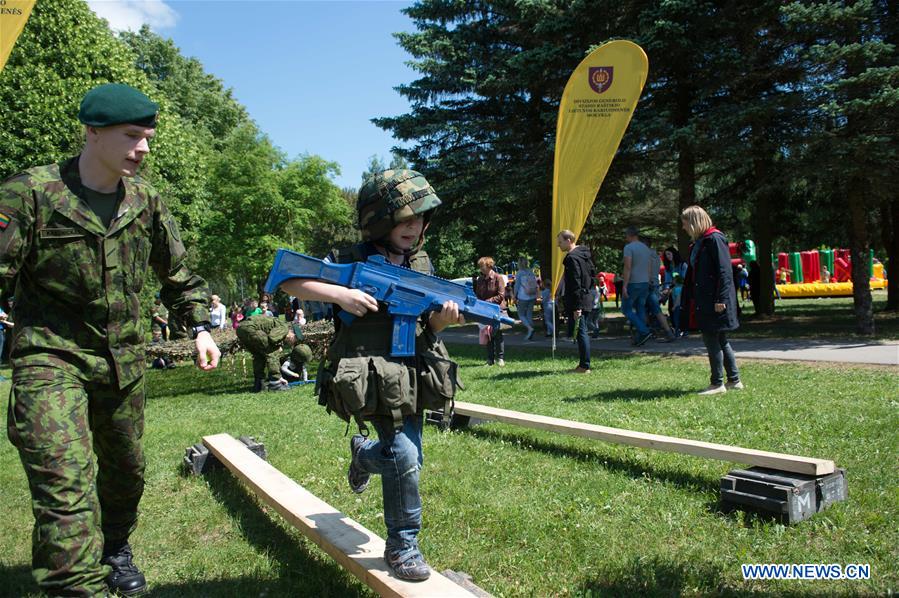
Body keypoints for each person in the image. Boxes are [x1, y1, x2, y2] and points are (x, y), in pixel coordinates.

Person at [0, 83, 221, 596]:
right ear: (92, 132)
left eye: (147, 137)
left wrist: (201, 327)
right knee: (65, 484)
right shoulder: (29, 192)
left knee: (125, 472)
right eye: (131, 136)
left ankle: (114, 548)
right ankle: (77, 586)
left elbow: (179, 275)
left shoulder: (144, 201)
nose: (143, 148)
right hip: (49, 358)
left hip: (123, 362)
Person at [278, 169, 464, 581]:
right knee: (404, 456)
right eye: (405, 218)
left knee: (405, 458)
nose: (414, 227)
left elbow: (423, 326)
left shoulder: (422, 263)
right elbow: (288, 279)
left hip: (415, 370)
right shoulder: (349, 260)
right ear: (379, 219)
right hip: (369, 372)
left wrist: (441, 322)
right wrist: (340, 294)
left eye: (420, 219)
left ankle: (362, 455)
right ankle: (403, 545)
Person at [680, 205, 743, 395]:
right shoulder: (701, 242)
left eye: (685, 224)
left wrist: (721, 298)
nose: (683, 228)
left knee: (711, 338)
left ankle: (717, 384)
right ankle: (734, 380)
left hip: (715, 299)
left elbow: (725, 271)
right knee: (720, 339)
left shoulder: (714, 239)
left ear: (693, 222)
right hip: (705, 298)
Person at [557, 229, 595, 373]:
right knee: (580, 331)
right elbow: (592, 275)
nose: (558, 245)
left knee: (581, 332)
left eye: (560, 242)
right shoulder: (584, 255)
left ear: (568, 241)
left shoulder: (572, 258)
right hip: (586, 296)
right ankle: (583, 364)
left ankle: (584, 366)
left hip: (578, 299)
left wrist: (577, 306)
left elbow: (575, 282)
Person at [236, 315, 298, 392]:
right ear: (292, 334)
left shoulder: (279, 324)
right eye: (294, 340)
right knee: (272, 352)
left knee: (259, 356)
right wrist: (277, 347)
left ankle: (259, 384)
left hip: (240, 329)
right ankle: (275, 383)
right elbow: (272, 338)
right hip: (251, 328)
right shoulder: (284, 328)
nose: (291, 343)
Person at [621, 225, 654, 346]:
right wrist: (649, 280)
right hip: (645, 282)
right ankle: (641, 337)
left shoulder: (628, 248)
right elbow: (649, 266)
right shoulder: (646, 248)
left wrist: (625, 285)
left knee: (626, 309)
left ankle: (644, 331)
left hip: (633, 283)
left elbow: (627, 267)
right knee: (640, 308)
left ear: (629, 235)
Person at [474, 256, 507, 366]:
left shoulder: (498, 278)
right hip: (485, 310)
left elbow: (501, 295)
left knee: (497, 334)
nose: (481, 269)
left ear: (489, 266)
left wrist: (487, 301)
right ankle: (490, 360)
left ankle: (500, 358)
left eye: (482, 266)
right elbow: (478, 295)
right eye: (480, 267)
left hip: (497, 309)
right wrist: (479, 303)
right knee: (487, 334)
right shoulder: (480, 280)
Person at [513, 257, 539, 340]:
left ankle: (529, 328)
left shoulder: (519, 273)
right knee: (529, 314)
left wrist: (514, 295)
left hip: (523, 296)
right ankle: (530, 331)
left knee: (521, 314)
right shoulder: (530, 271)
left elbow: (517, 286)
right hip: (532, 295)